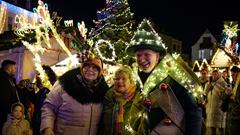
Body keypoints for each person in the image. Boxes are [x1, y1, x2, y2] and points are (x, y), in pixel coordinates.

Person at [126, 19, 202, 135]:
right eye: (138, 55)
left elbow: (193, 111)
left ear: (157, 55)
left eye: (147, 54)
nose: (141, 59)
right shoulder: (140, 78)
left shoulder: (173, 76)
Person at [40, 56, 109, 135]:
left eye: (95, 68)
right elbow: (49, 107)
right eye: (87, 66)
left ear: (100, 72)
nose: (90, 70)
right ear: (81, 67)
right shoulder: (65, 83)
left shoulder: (104, 90)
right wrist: (47, 128)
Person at [100, 66, 138, 135]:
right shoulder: (108, 97)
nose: (120, 81)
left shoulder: (137, 99)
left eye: (124, 79)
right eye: (117, 79)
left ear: (131, 81)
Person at [30, 65, 57, 135]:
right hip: (37, 122)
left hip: (47, 124)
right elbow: (35, 101)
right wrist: (30, 91)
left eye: (40, 74)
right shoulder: (41, 90)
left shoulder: (53, 89)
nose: (38, 76)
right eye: (38, 74)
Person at [204, 70, 229, 135]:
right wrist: (208, 85)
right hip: (211, 109)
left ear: (219, 75)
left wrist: (215, 84)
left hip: (219, 109)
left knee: (221, 129)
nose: (214, 76)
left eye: (215, 74)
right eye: (213, 74)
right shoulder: (208, 83)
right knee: (212, 129)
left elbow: (224, 94)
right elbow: (205, 93)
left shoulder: (223, 83)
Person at [0, 60, 19, 134]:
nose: (15, 70)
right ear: (9, 68)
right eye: (14, 68)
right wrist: (10, 113)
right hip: (4, 115)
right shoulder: (2, 79)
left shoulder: (9, 79)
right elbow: (4, 99)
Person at [222, 66, 240, 135]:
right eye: (231, 75)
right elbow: (224, 99)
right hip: (230, 116)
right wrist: (226, 94)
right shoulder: (231, 84)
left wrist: (235, 111)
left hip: (236, 118)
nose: (232, 76)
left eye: (234, 75)